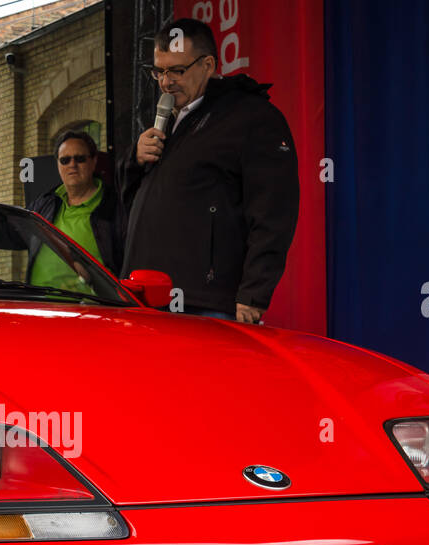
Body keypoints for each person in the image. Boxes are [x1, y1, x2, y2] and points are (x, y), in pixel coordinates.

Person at [121, 17, 299, 324]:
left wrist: (253, 294)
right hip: (146, 300)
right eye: (159, 71)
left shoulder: (250, 117)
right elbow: (128, 206)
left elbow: (274, 211)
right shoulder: (170, 122)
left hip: (204, 303)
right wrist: (134, 161)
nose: (166, 82)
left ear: (208, 65)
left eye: (177, 70)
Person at [26, 129, 126, 285]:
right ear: (58, 165)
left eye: (79, 159)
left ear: (93, 161)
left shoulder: (115, 207)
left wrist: (93, 278)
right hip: (38, 305)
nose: (72, 165)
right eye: (65, 160)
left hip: (89, 307)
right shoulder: (45, 203)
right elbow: (8, 232)